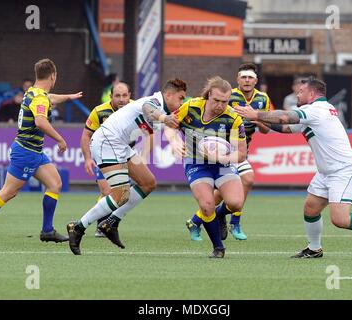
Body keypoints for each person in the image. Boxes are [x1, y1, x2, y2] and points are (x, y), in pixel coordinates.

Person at [235, 77, 352, 258]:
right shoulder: (313, 111)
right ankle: (314, 248)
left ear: (312, 93)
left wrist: (256, 114)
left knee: (340, 220)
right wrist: (260, 122)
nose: (297, 94)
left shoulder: (317, 109)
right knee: (311, 208)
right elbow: (286, 127)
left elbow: (286, 116)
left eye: (301, 91)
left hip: (343, 170)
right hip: (326, 172)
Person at [0, 58, 83, 245]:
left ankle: (47, 230)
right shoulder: (39, 98)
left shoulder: (33, 92)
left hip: (34, 152)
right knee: (9, 192)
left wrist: (68, 97)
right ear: (53, 76)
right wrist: (60, 139)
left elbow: (50, 99)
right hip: (26, 152)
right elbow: (40, 121)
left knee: (55, 184)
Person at [66, 78, 187, 255]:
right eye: (181, 98)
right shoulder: (153, 101)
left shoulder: (166, 110)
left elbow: (168, 128)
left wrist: (175, 141)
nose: (181, 102)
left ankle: (111, 222)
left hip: (120, 145)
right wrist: (164, 118)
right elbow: (149, 109)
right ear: (168, 95)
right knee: (121, 194)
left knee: (148, 183)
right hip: (106, 142)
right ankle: (78, 227)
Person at [168, 76, 247, 258]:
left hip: (221, 164)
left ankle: (220, 215)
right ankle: (218, 248)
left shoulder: (233, 118)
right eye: (216, 100)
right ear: (209, 94)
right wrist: (173, 140)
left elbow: (241, 154)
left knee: (236, 203)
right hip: (195, 163)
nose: (220, 105)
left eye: (225, 101)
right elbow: (170, 125)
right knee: (206, 205)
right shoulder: (190, 107)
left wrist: (220, 157)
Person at [207, 62, 270, 241]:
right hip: (222, 148)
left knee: (229, 189)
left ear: (256, 80)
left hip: (241, 150)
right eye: (243, 77)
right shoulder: (228, 95)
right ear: (237, 79)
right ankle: (226, 219)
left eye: (250, 77)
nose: (247, 80)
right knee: (238, 184)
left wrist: (257, 118)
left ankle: (210, 219)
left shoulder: (263, 99)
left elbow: (266, 129)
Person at [80, 82, 133, 237]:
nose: (122, 99)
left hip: (126, 154)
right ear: (111, 97)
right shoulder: (99, 111)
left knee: (124, 193)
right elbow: (86, 135)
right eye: (117, 96)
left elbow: (150, 131)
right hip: (104, 155)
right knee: (107, 190)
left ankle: (109, 223)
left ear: (129, 95)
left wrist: (143, 153)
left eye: (125, 95)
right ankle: (101, 225)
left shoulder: (136, 109)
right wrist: (87, 158)